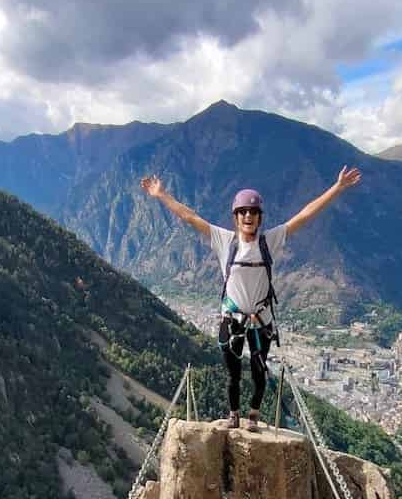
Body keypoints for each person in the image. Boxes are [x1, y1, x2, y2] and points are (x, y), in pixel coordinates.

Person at [140, 166, 361, 429]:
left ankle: (253, 415)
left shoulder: (270, 241)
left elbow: (304, 216)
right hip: (232, 316)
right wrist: (162, 195)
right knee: (233, 374)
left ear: (260, 217)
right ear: (236, 217)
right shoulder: (225, 241)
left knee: (259, 372)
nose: (248, 215)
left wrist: (337, 188)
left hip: (260, 317)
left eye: (253, 212)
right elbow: (190, 217)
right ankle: (234, 415)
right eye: (243, 211)